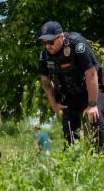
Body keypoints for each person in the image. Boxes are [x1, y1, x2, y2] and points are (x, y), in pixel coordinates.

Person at [38, 20, 104, 151]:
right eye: (44, 42)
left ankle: (99, 160)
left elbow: (91, 74)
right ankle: (71, 164)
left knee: (97, 124)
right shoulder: (45, 55)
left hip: (93, 88)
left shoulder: (77, 45)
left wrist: (92, 105)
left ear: (61, 36)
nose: (47, 46)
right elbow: (45, 81)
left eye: (51, 41)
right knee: (69, 130)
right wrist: (54, 105)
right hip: (70, 93)